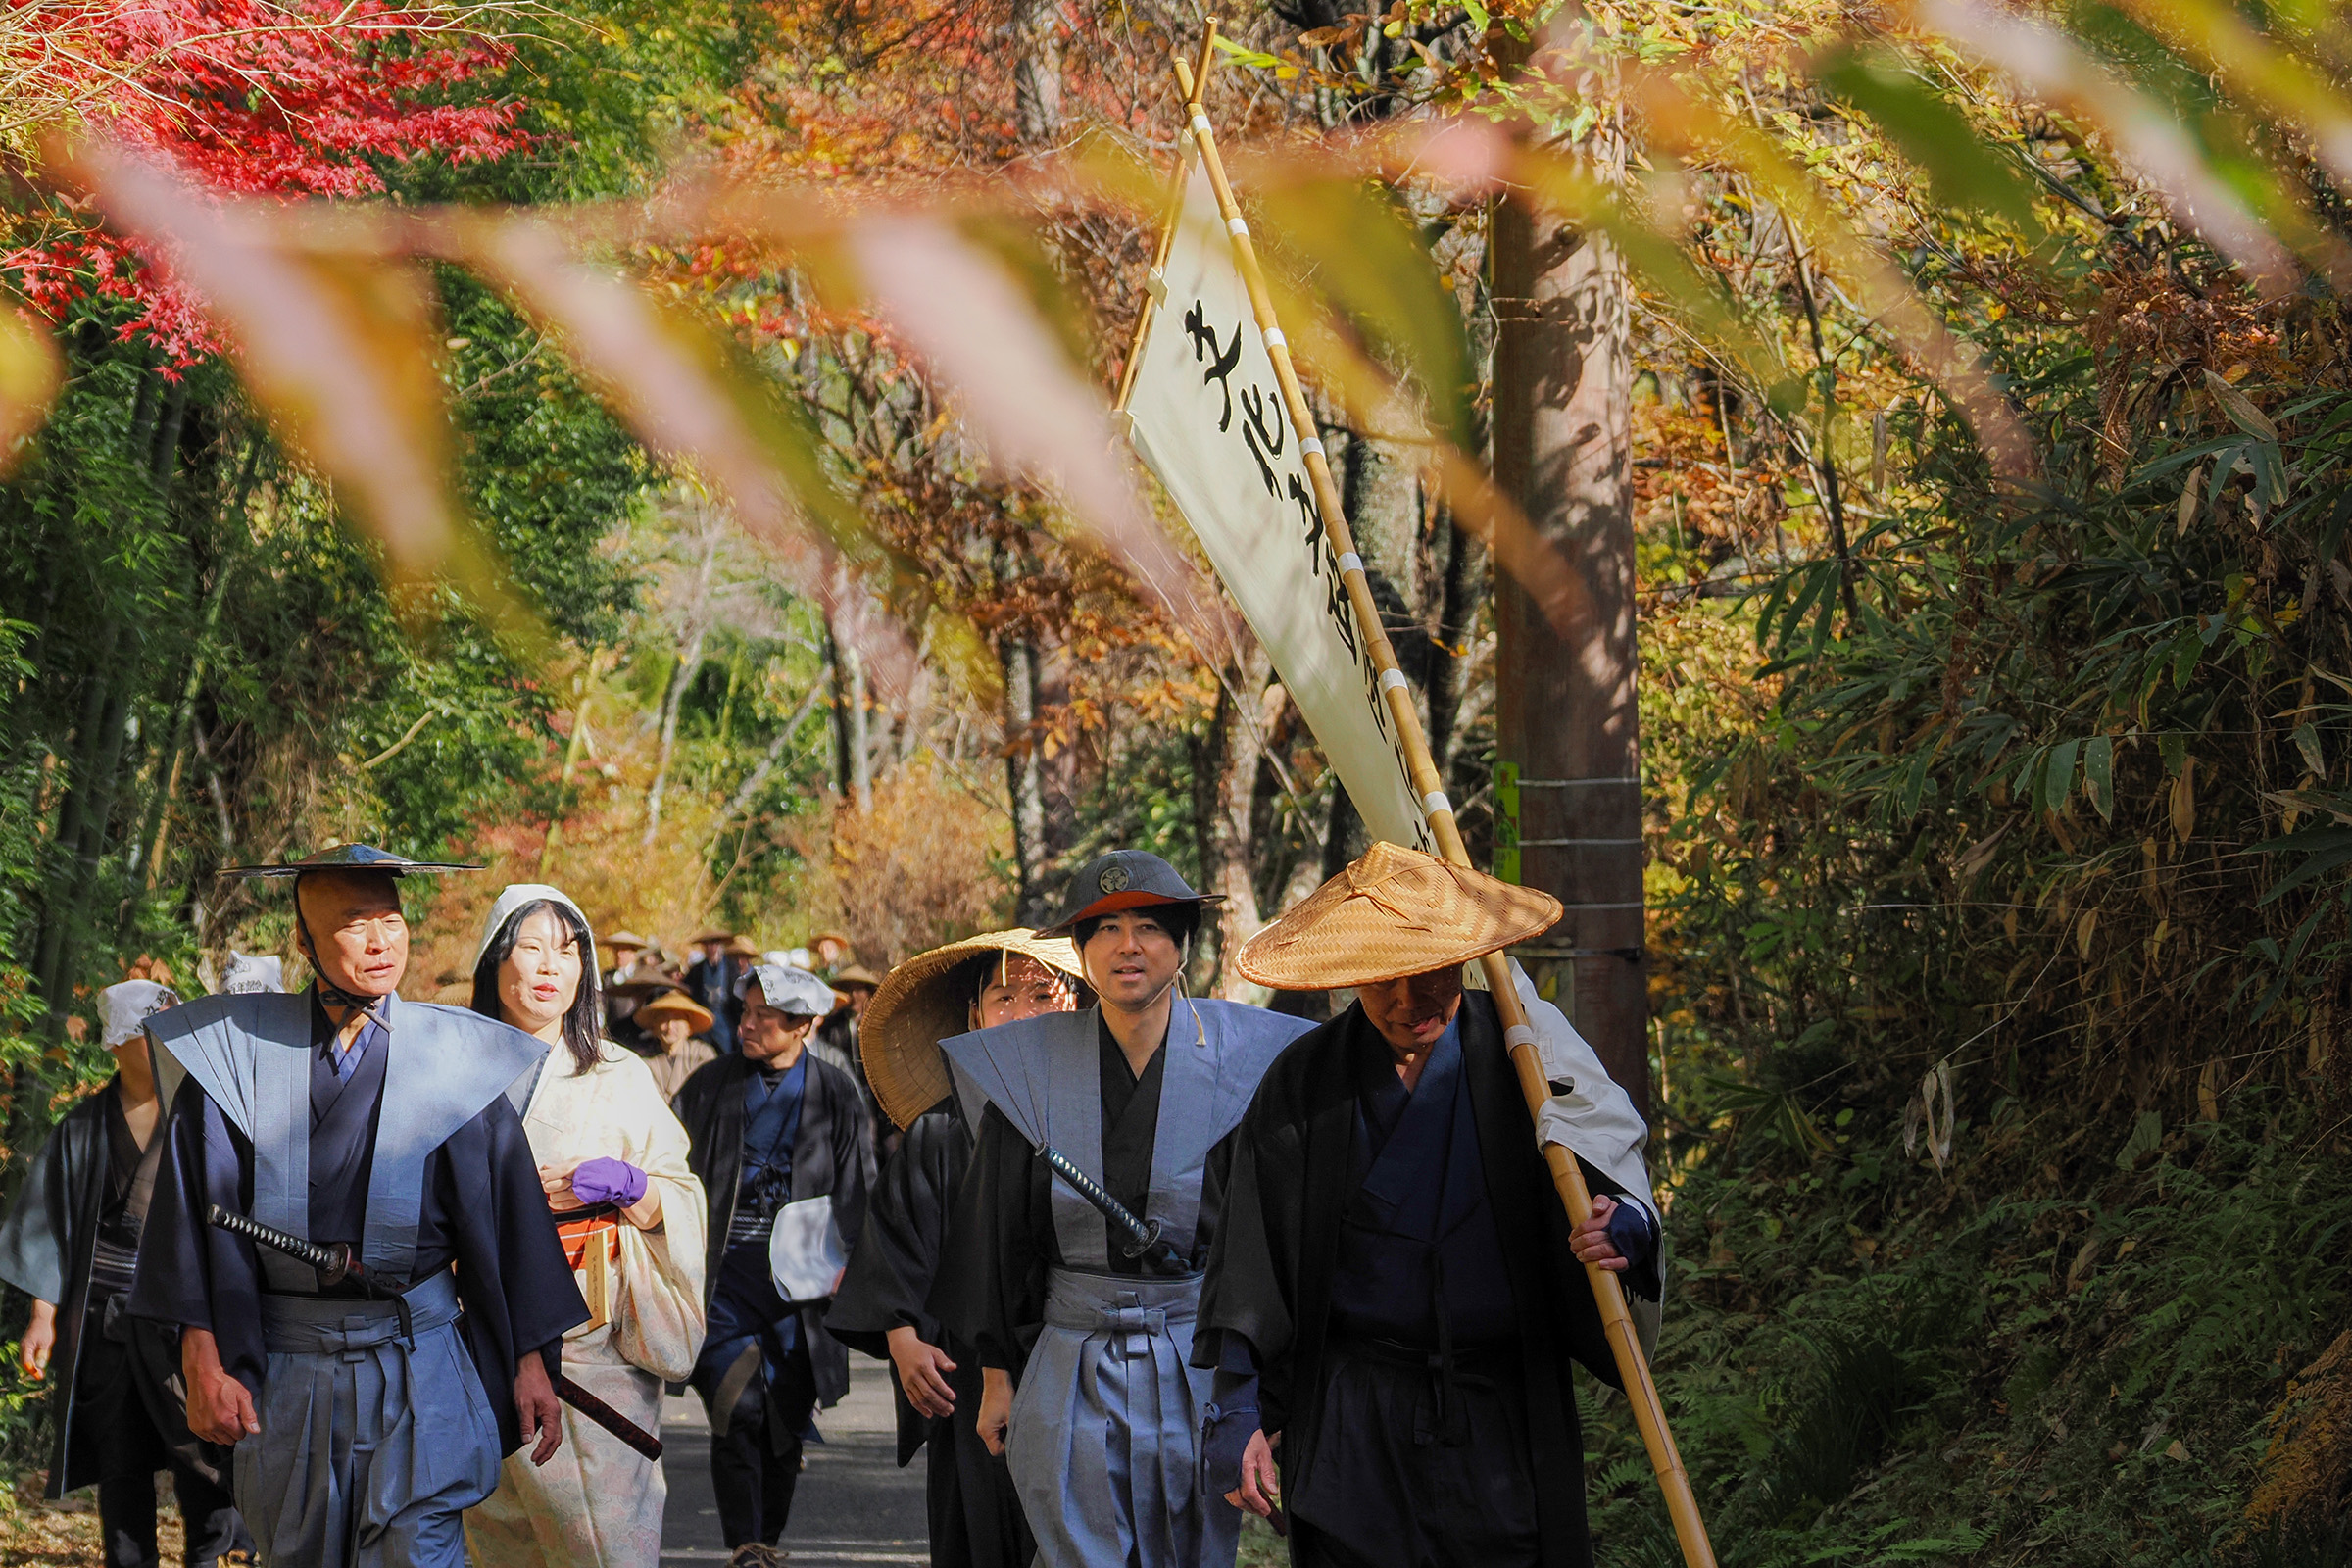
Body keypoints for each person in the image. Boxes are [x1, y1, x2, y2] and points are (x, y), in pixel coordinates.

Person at [1195, 843, 1663, 1568]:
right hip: (1354, 1415)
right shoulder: (1306, 1082)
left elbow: (1606, 1162)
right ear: (1352, 976)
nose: (1408, 1001)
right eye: (1384, 979)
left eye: (1430, 973)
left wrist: (1622, 1226)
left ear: (1464, 960)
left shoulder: (1528, 1058)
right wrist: (1240, 1407)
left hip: (1501, 1415)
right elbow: (1254, 1251)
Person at [127, 843, 588, 1568]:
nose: (381, 942)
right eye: (353, 923)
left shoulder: (453, 1060)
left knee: (422, 1554)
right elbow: (187, 1222)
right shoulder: (236, 1055)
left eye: (392, 921)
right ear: (303, 941)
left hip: (418, 1358)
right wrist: (203, 1359)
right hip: (288, 1366)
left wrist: (531, 1361)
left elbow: (510, 1224)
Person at [933, 850, 1317, 1568]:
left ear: (1182, 944)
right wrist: (994, 1376)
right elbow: (994, 1236)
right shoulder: (1029, 1068)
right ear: (1080, 952)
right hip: (1069, 1354)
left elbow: (1268, 1246)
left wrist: (1256, 1399)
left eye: (1147, 926)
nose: (1126, 946)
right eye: (1103, 929)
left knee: (1192, 1552)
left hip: (1194, 1356)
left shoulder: (1248, 1064)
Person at [463, 885, 710, 1568]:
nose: (551, 967)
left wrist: (632, 1188)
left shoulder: (617, 1072)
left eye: (568, 952)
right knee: (494, 1544)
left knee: (604, 1547)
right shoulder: (452, 1071)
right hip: (476, 1342)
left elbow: (679, 1195)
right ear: (493, 961)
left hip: (590, 1353)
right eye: (532, 947)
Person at [827, 932, 1082, 1568]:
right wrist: (901, 1337)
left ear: (1081, 1006)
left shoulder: (1109, 1117)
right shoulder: (941, 1132)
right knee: (982, 1536)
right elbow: (894, 1246)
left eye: (1042, 995)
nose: (1022, 1013)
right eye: (1003, 997)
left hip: (1086, 1360)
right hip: (972, 1377)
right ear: (974, 1017)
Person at [0, 980, 252, 1568]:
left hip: (187, 1316)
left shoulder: (208, 1116)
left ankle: (209, 1557)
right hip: (106, 1316)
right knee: (121, 1458)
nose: (165, 1040)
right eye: (150, 1031)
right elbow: (49, 1222)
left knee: (202, 1452)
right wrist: (43, 1316)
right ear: (118, 1043)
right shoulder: (83, 1128)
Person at [673, 962, 875, 1563]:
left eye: (766, 1016)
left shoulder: (837, 1092)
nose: (749, 1024)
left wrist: (860, 1283)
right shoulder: (709, 1087)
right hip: (724, 1281)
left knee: (783, 1426)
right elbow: (671, 1169)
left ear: (804, 1026)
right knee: (738, 1411)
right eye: (748, 1012)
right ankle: (745, 1543)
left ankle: (771, 1539)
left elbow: (861, 1190)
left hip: (804, 1288)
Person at [633, 988, 720, 1101]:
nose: (670, 1026)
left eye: (677, 1019)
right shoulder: (647, 1060)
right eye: (663, 1019)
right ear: (654, 1028)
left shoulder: (702, 1053)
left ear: (688, 1028)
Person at [685, 930, 748, 1054]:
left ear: (720, 945)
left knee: (727, 1052)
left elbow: (739, 998)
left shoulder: (731, 968)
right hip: (703, 1019)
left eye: (714, 944)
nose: (710, 948)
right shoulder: (696, 970)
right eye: (707, 945)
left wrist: (741, 1022)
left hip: (725, 1019)